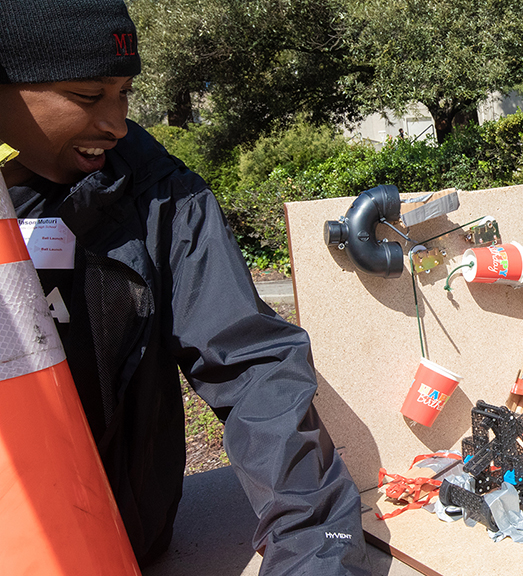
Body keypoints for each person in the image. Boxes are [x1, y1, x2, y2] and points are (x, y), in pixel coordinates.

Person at [0, 1, 369, 573]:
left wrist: (318, 554)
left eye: (123, 92)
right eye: (88, 96)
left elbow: (253, 367)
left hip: (125, 541)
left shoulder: (162, 197)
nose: (116, 123)